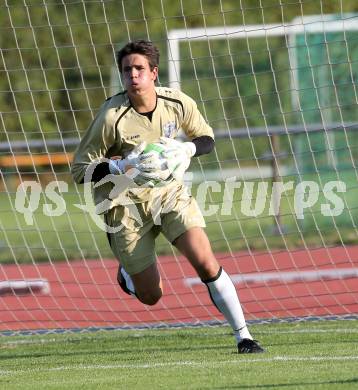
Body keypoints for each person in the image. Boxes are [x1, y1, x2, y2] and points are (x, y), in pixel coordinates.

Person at [71, 39, 264, 354]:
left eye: (139, 69)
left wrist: (188, 148)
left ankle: (244, 336)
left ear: (154, 73)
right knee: (151, 296)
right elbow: (80, 170)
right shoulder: (111, 116)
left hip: (170, 195)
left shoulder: (177, 103)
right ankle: (128, 274)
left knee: (205, 261)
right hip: (125, 208)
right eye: (126, 70)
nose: (133, 75)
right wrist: (122, 165)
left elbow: (206, 139)